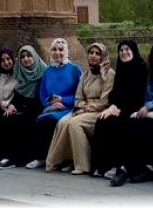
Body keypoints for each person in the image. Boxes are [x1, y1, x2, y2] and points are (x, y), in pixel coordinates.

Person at [109, 40, 153, 187]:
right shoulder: (151, 75)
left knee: (151, 129)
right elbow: (147, 97)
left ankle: (150, 168)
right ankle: (126, 167)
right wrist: (152, 107)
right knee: (132, 125)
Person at [46, 42, 116, 175]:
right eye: (91, 53)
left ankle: (83, 165)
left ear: (103, 56)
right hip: (83, 109)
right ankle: (68, 159)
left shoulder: (109, 74)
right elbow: (78, 97)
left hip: (99, 111)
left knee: (74, 124)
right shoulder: (85, 74)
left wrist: (86, 109)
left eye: (97, 53)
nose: (93, 56)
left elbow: (105, 100)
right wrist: (82, 107)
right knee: (62, 122)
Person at [91, 40, 147, 178]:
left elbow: (139, 95)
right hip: (119, 108)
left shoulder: (142, 68)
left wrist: (120, 109)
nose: (124, 53)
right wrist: (113, 106)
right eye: (121, 50)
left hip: (135, 108)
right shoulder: (121, 69)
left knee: (119, 124)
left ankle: (116, 166)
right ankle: (102, 165)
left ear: (133, 51)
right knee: (102, 121)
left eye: (127, 49)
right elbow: (115, 93)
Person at [23, 38, 82, 169]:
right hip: (50, 108)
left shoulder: (74, 70)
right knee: (36, 121)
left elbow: (79, 93)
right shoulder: (48, 71)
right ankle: (40, 156)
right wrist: (49, 105)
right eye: (54, 49)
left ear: (66, 51)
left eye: (61, 50)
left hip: (67, 107)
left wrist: (63, 100)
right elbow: (42, 92)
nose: (57, 53)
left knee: (46, 122)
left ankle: (53, 157)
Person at [0, 44, 45, 168]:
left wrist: (16, 106)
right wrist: (12, 105)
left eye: (29, 56)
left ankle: (14, 158)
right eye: (22, 57)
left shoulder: (43, 71)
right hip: (24, 106)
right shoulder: (21, 73)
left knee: (15, 119)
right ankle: (1, 155)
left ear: (34, 56)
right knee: (4, 116)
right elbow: (19, 94)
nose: (26, 59)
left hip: (38, 107)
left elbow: (42, 96)